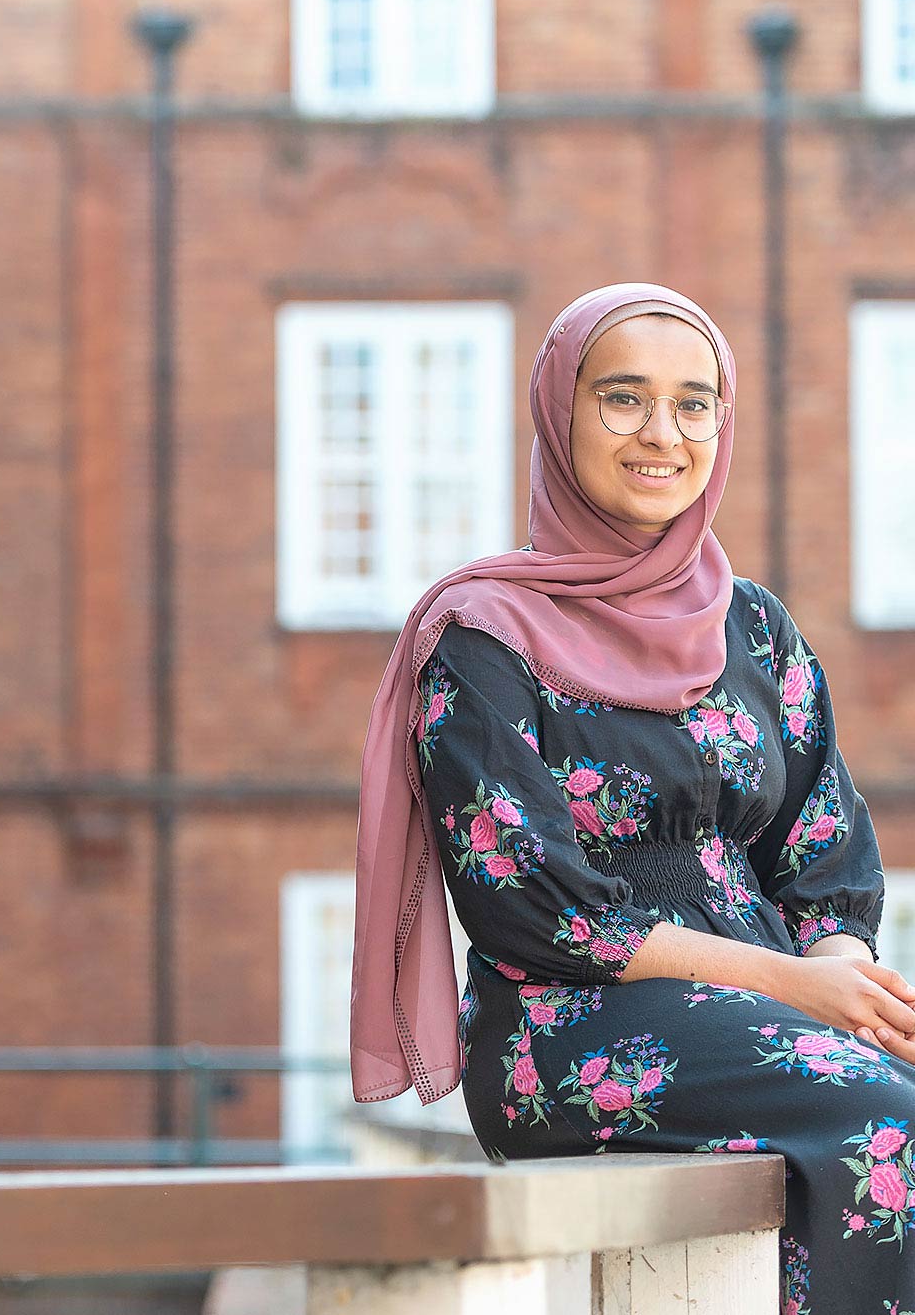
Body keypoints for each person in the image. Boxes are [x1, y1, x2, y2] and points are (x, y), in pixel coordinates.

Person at [349, 281, 915, 1311]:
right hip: (573, 1025)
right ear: (559, 414)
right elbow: (535, 907)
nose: (664, 433)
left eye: (695, 403)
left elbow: (825, 854)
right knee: (888, 1125)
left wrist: (848, 984)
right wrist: (797, 994)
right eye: (623, 398)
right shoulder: (483, 638)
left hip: (771, 1009)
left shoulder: (752, 625)